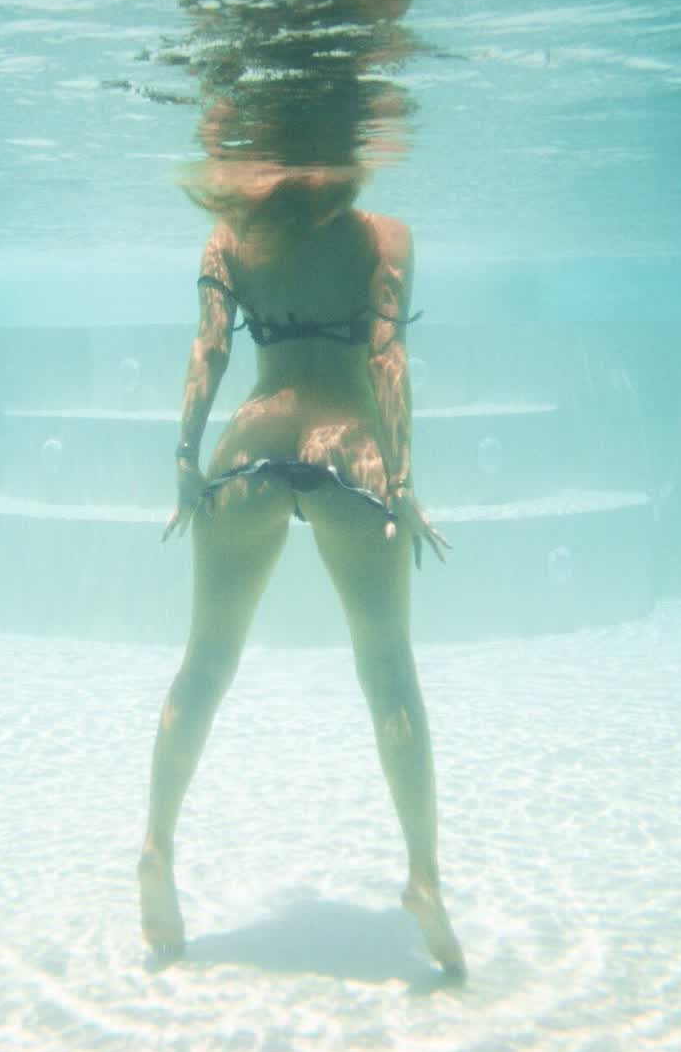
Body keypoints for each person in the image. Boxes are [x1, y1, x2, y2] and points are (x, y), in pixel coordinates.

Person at [136, 154, 466, 979]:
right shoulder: (384, 237)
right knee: (389, 672)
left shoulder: (231, 234)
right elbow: (386, 360)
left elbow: (210, 347)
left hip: (249, 448)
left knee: (204, 665)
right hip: (351, 454)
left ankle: (157, 845)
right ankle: (424, 876)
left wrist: (185, 457)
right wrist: (404, 482)